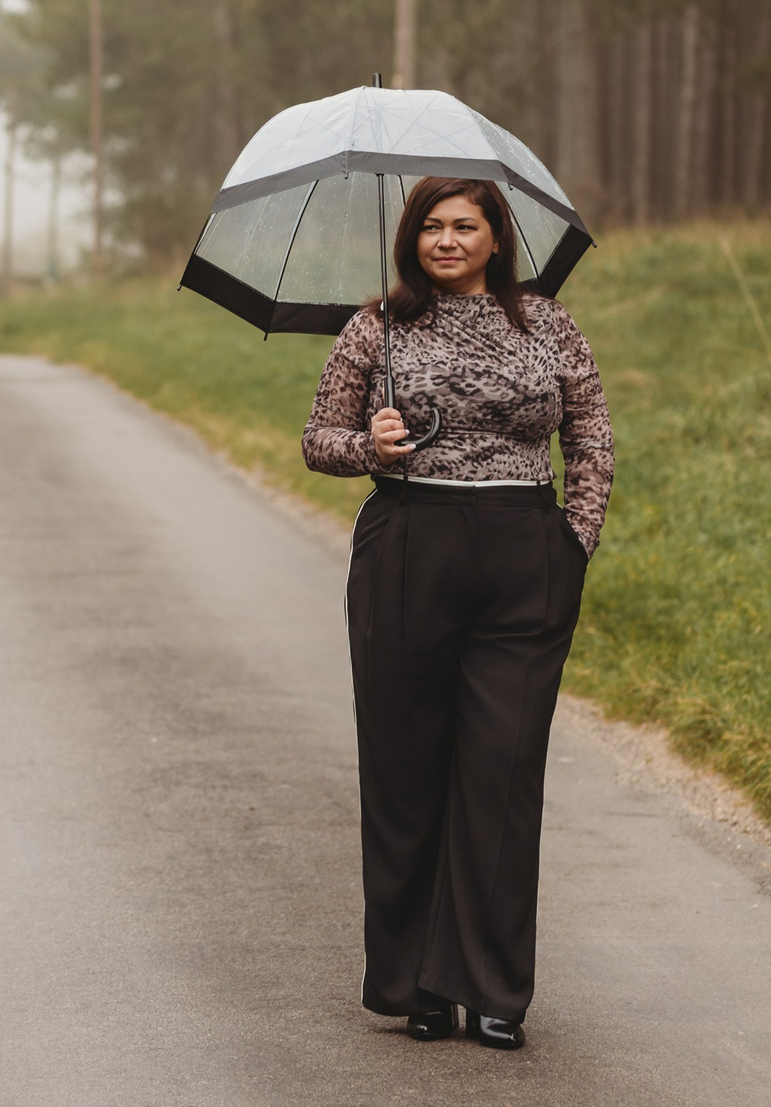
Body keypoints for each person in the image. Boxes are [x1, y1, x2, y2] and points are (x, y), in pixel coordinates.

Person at [301, 175, 614, 1051]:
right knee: (405, 772)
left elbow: (591, 434)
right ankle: (417, 986)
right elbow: (318, 438)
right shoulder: (375, 328)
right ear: (411, 237)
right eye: (431, 226)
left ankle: (493, 986)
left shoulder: (548, 323)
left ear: (495, 237)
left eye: (464, 225)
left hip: (525, 555)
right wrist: (370, 445)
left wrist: (574, 539)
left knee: (501, 773)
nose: (446, 239)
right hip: (409, 547)